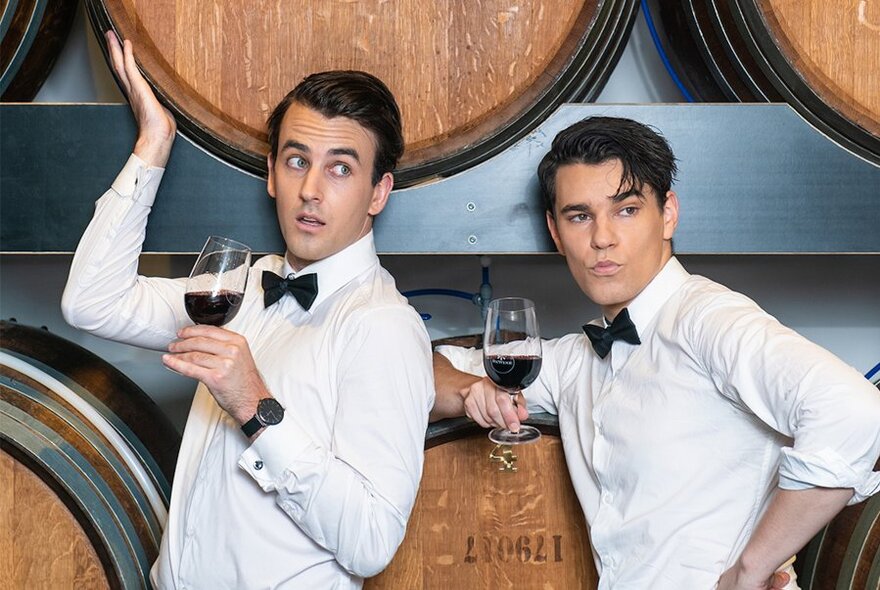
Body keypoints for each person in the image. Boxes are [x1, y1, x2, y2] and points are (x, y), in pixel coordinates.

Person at [430, 116, 880, 590]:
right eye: (579, 216)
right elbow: (423, 369)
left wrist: (753, 568)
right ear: (556, 232)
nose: (602, 237)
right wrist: (468, 390)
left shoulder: (708, 319)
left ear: (668, 215)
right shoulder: (574, 360)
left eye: (625, 210)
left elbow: (856, 412)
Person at [62, 32, 434, 589]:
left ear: (378, 193)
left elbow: (371, 541)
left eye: (340, 168)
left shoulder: (382, 325)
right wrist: (154, 142)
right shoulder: (242, 285)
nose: (310, 189)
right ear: (270, 172)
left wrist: (255, 406)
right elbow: (91, 301)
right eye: (296, 160)